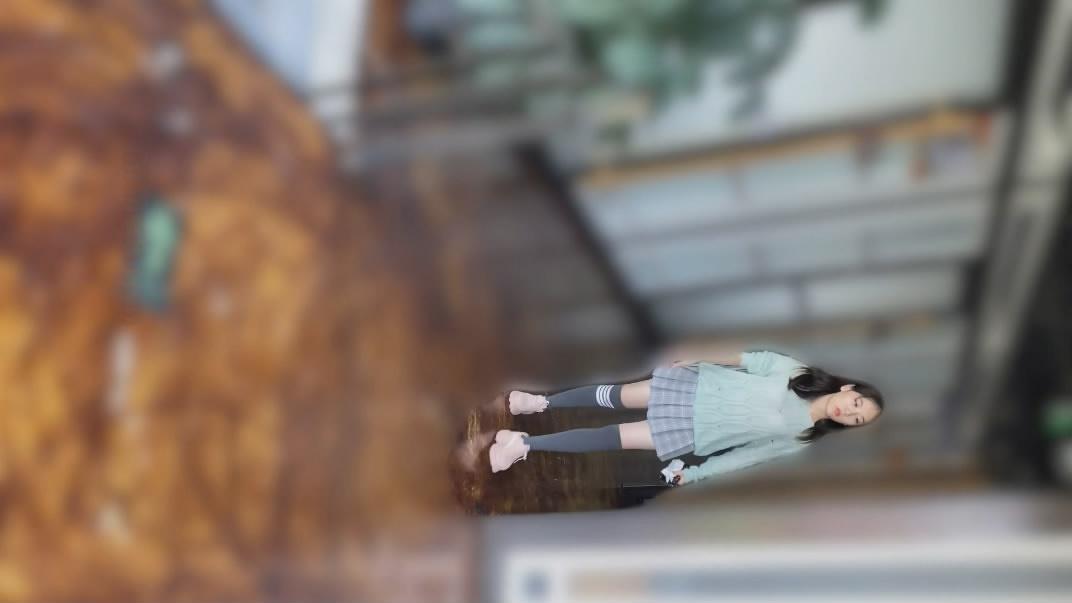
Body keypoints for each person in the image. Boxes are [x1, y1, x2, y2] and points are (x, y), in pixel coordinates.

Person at [488, 350, 884, 485]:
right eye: (856, 404)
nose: (849, 412)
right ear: (849, 389)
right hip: (694, 388)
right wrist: (699, 356)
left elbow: (744, 457)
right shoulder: (797, 372)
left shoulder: (800, 437)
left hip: (693, 431)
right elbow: (747, 358)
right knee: (614, 397)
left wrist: (693, 474)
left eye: (856, 420)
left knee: (611, 437)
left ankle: (523, 443)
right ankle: (539, 404)